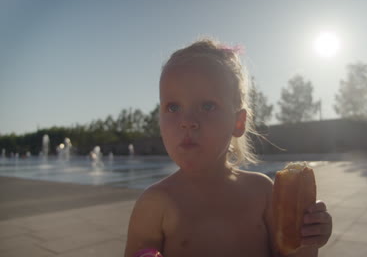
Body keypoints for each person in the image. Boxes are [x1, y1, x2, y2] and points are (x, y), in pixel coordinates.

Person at [124, 39, 332, 257]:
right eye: (173, 107)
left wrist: (308, 236)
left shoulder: (261, 191)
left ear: (238, 122)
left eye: (207, 106)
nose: (187, 121)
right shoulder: (155, 204)